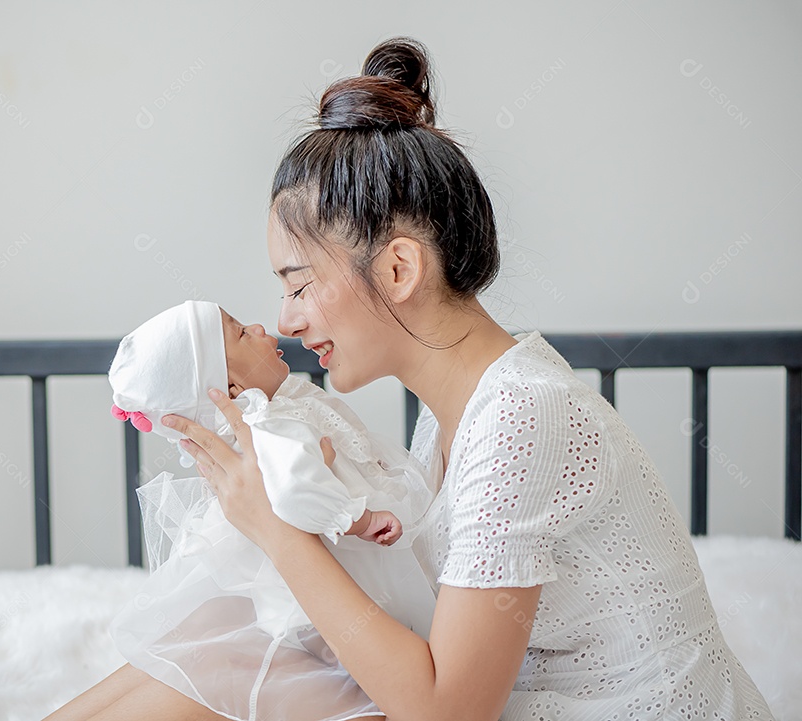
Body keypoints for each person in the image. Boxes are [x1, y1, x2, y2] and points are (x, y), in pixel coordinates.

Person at [44, 36, 775, 721]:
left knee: (234, 659)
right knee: (222, 633)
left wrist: (275, 528)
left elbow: (446, 710)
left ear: (398, 269)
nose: (287, 321)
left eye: (298, 284)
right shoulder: (452, 417)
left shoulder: (523, 415)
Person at [104, 299, 437, 721]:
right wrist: (361, 519)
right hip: (311, 594)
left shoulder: (271, 417)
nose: (264, 327)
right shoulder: (268, 424)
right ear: (231, 392)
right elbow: (298, 489)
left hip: (297, 593)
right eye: (241, 332)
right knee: (330, 657)